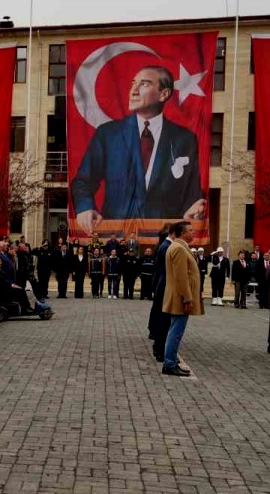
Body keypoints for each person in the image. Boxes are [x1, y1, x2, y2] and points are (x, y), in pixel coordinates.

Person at [71, 66, 206, 234]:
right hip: (116, 237)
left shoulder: (185, 139)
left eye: (144, 84)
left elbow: (192, 190)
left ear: (163, 94)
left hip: (163, 239)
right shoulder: (108, 134)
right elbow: (83, 181)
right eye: (133, 84)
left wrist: (192, 209)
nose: (133, 91)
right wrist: (85, 208)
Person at [161, 221, 201, 376]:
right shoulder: (178, 248)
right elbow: (181, 277)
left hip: (179, 296)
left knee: (175, 330)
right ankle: (169, 363)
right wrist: (187, 298)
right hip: (179, 297)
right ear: (183, 233)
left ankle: (171, 361)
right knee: (175, 332)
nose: (193, 233)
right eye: (191, 230)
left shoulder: (180, 247)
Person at [147, 228, 172, 361]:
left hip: (158, 282)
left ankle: (155, 335)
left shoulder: (160, 246)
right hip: (161, 284)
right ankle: (158, 344)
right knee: (161, 315)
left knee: (157, 312)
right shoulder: (164, 247)